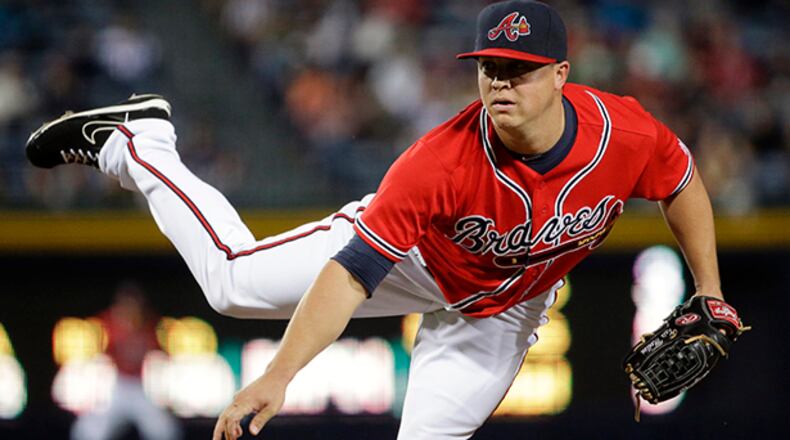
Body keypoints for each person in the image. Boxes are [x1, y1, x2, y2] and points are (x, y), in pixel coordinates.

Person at [25, 1, 728, 439]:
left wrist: (710, 289)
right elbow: (354, 273)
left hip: (502, 310)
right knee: (230, 287)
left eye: (518, 69)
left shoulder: (623, 134)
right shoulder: (439, 162)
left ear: (559, 75)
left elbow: (682, 182)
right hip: (413, 258)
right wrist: (280, 375)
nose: (499, 83)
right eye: (489, 66)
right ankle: (142, 144)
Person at [71, 282, 181, 440]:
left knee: (165, 431)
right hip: (116, 387)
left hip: (140, 388)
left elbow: (162, 358)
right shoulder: (106, 323)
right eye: (127, 304)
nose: (131, 308)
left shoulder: (151, 324)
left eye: (135, 304)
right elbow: (95, 360)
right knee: (88, 431)